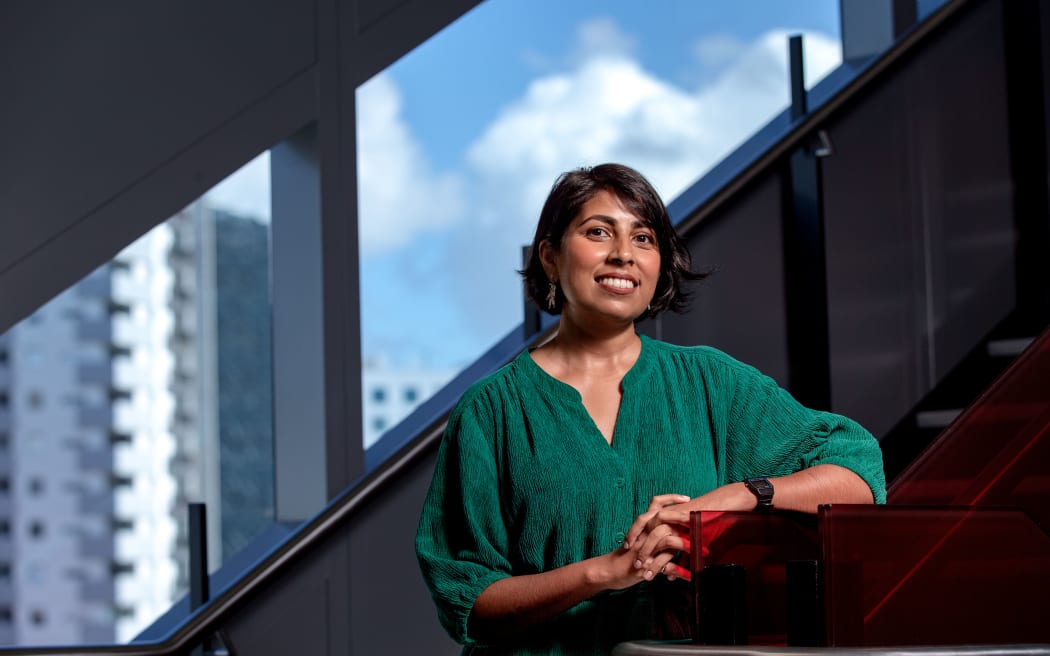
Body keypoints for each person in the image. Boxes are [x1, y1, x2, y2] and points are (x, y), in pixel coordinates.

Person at [415, 163, 886, 655]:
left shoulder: (712, 383)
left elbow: (858, 473)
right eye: (598, 232)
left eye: (643, 238)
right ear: (550, 257)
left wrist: (741, 495)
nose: (623, 255)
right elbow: (468, 602)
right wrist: (606, 572)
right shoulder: (492, 410)